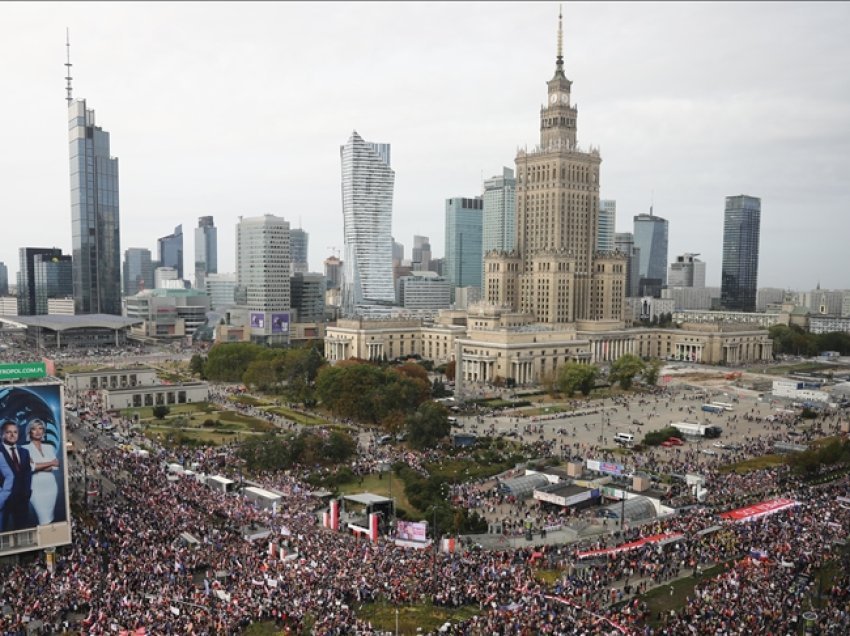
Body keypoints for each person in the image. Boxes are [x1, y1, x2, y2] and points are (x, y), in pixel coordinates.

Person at [23, 418, 59, 525]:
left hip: (51, 486)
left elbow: (56, 465)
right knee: (44, 519)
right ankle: (46, 538)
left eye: (40, 428)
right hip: (36, 488)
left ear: (43, 431)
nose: (38, 431)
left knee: (50, 518)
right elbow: (31, 467)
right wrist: (50, 463)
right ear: (29, 431)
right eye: (34, 429)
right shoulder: (24, 449)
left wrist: (39, 466)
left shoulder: (50, 447)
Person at [0, 420, 32, 531]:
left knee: (22, 531)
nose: (12, 435)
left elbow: (28, 474)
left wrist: (27, 493)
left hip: (22, 500)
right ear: (2, 434)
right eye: (9, 432)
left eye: (15, 432)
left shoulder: (24, 452)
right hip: (5, 501)